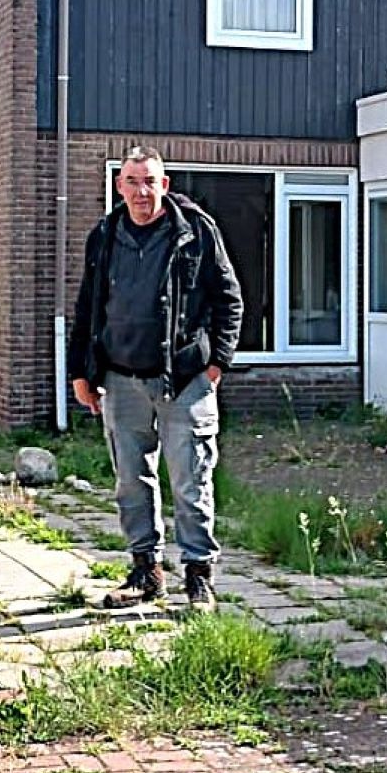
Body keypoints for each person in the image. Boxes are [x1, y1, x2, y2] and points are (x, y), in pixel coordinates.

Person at [69, 147, 243, 612]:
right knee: (131, 482)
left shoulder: (195, 231)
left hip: (184, 379)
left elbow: (229, 299)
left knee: (192, 481)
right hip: (120, 379)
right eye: (132, 181)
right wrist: (80, 372)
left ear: (164, 185)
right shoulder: (105, 235)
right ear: (119, 186)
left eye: (149, 181)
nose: (141, 191)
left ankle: (199, 576)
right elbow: (88, 306)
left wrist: (216, 363)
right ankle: (145, 573)